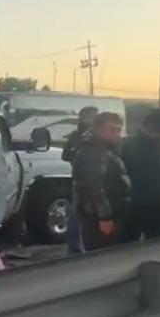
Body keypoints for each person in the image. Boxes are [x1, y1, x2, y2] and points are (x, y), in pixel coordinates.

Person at [120, 109, 160, 241]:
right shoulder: (126, 145)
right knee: (126, 249)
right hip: (132, 208)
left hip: (158, 208)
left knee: (154, 247)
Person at [72, 112, 131, 251]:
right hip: (98, 218)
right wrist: (105, 217)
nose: (116, 134)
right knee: (102, 256)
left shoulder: (105, 149)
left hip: (105, 214)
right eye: (111, 130)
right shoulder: (94, 151)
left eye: (118, 130)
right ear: (98, 130)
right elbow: (94, 185)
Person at [63, 106, 99, 254]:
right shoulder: (78, 135)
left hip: (95, 180)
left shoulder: (96, 134)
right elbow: (65, 155)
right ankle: (75, 247)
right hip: (82, 181)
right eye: (93, 116)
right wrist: (78, 151)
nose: (95, 119)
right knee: (77, 215)